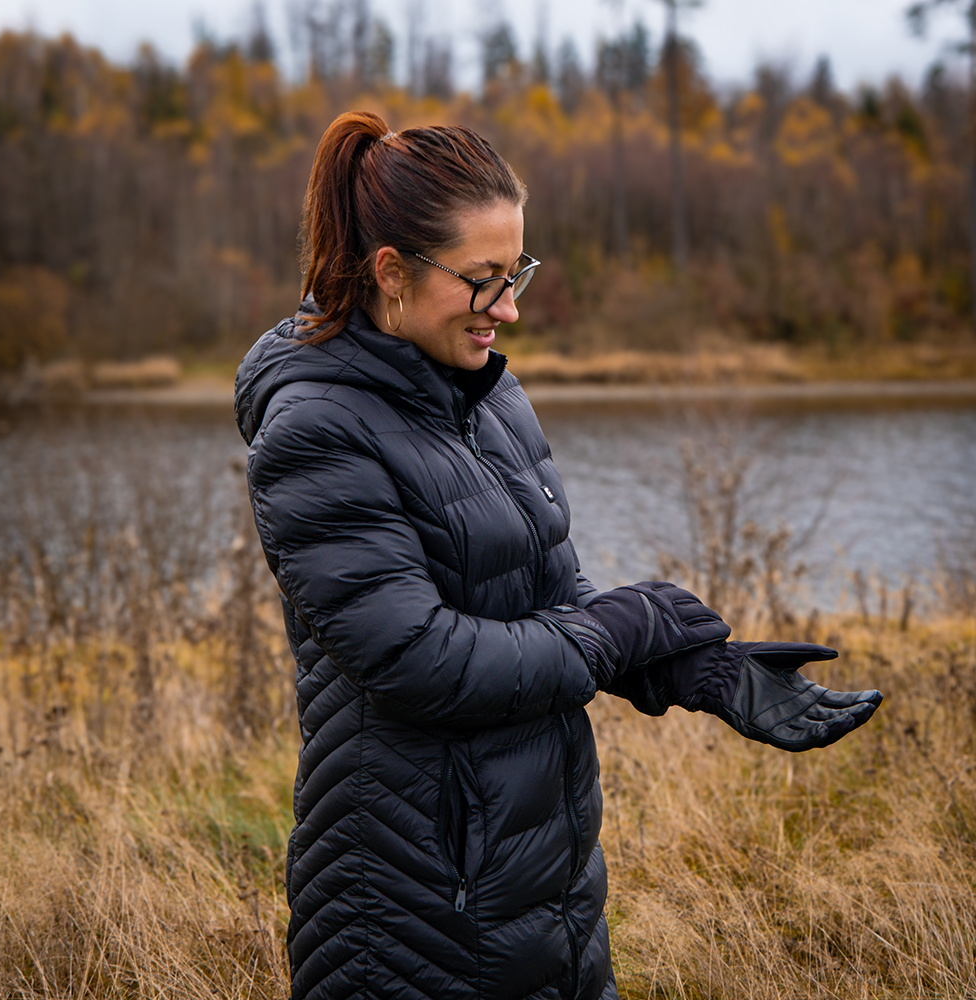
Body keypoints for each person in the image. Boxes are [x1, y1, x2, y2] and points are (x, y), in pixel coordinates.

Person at [234, 110, 882, 1000]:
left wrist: (694, 669)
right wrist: (625, 628)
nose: (508, 309)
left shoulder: (487, 395)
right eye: (482, 281)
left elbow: (552, 597)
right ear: (390, 272)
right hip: (409, 907)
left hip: (545, 876)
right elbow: (420, 661)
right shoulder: (315, 431)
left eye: (517, 275)